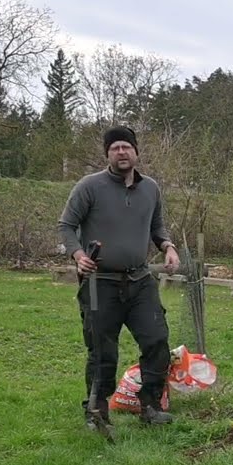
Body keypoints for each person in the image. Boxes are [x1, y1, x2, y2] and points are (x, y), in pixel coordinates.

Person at [57, 125, 181, 429]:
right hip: (101, 283)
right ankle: (96, 412)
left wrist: (168, 246)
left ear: (136, 152)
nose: (121, 152)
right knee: (102, 350)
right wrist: (78, 255)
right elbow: (66, 226)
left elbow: (157, 227)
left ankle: (150, 406)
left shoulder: (150, 188)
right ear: (107, 154)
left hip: (139, 281)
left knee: (157, 341)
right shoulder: (89, 187)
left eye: (126, 147)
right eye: (115, 148)